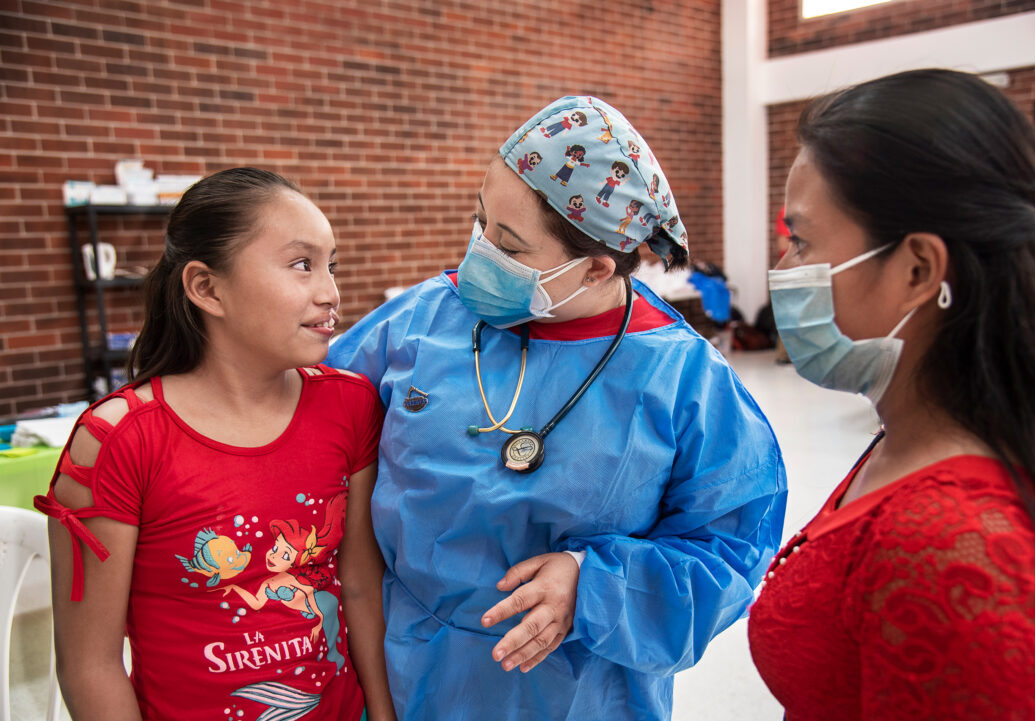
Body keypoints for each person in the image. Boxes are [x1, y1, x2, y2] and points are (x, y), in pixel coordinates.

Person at [328, 96, 787, 720]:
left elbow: (729, 552)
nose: (479, 255)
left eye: (510, 248)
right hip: (404, 673)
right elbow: (307, 424)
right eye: (480, 222)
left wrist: (593, 584)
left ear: (595, 269)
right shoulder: (419, 321)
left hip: (578, 692)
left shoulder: (684, 380)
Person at [748, 69, 1035, 720]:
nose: (783, 270)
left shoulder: (951, 546)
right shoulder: (913, 432)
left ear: (917, 269)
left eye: (802, 242)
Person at [35, 168, 396, 721]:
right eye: (302, 265)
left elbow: (363, 592)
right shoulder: (120, 440)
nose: (331, 294)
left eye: (332, 266)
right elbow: (91, 665)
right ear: (206, 288)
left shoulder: (350, 406)